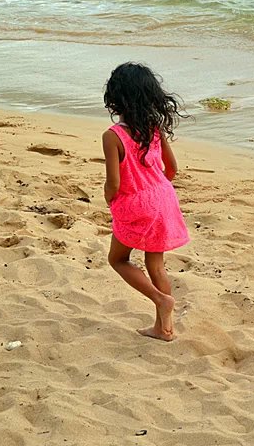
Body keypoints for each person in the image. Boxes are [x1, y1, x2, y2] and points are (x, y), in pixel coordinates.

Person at [101, 62, 189, 341]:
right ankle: (164, 328)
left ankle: (159, 299)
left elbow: (113, 183)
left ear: (115, 98)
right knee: (156, 265)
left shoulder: (113, 136)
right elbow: (172, 167)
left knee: (118, 259)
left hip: (136, 203)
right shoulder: (153, 128)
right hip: (164, 196)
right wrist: (158, 190)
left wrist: (109, 199)